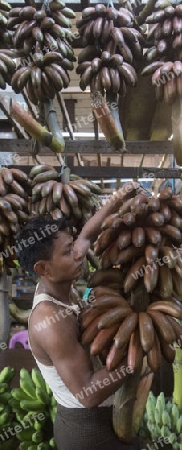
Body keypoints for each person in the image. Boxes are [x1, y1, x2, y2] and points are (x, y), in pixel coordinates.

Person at [15, 182, 143, 450]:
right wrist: (139, 351)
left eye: (71, 245)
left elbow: (86, 234)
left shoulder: (60, 280)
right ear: (43, 268)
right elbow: (88, 393)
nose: (78, 253)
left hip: (109, 414)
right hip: (87, 429)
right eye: (67, 252)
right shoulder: (50, 320)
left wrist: (120, 196)